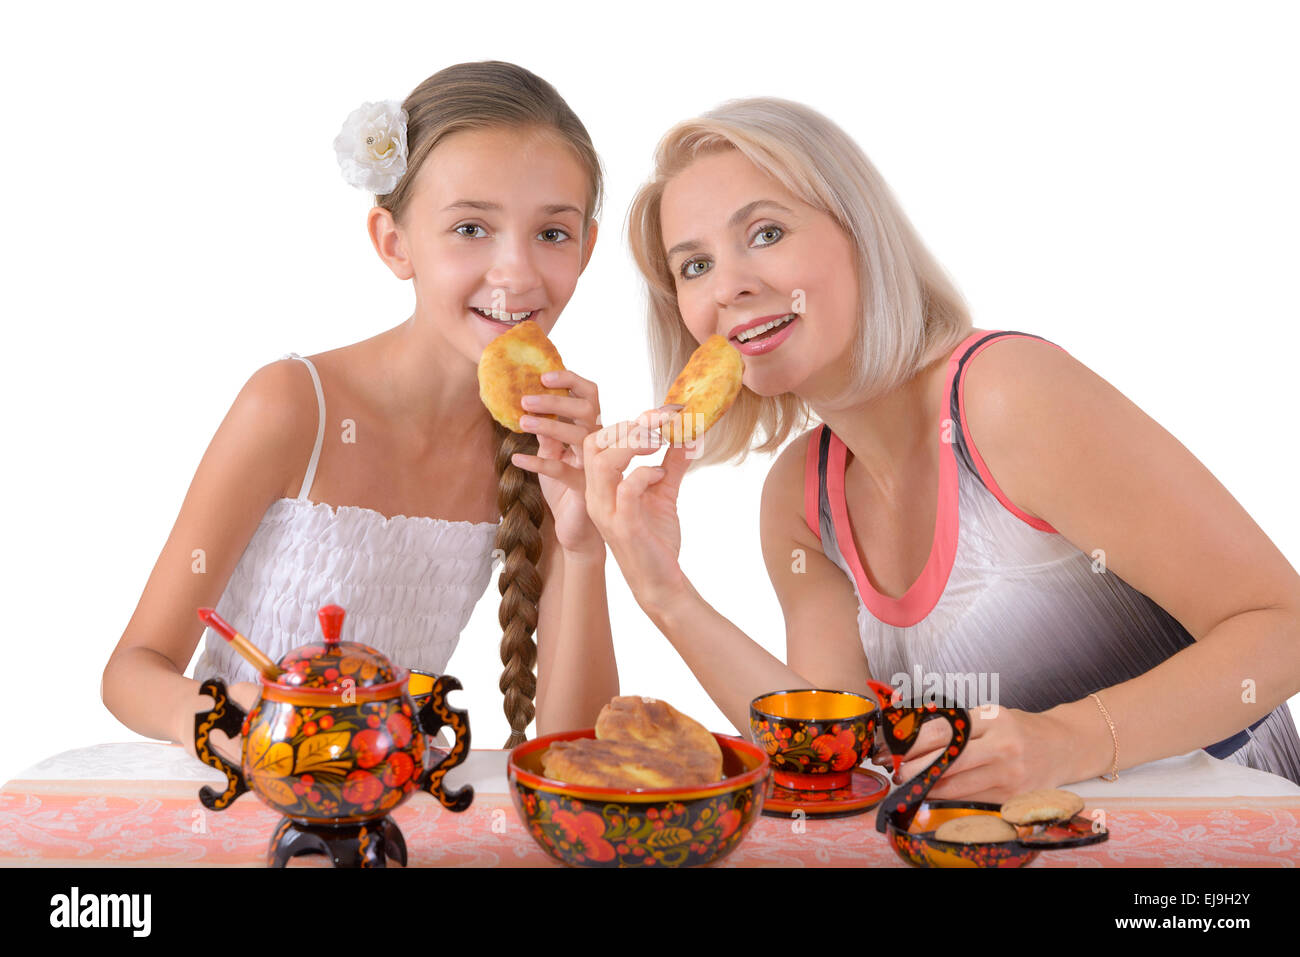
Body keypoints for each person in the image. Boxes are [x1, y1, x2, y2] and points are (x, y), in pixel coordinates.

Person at [583, 96, 1300, 799]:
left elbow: (1283, 625)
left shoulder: (1007, 395)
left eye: (766, 233)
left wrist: (1069, 740)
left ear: (861, 235)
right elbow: (841, 757)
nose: (731, 286)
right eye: (694, 266)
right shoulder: (801, 498)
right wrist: (661, 588)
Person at [102, 61, 617, 755]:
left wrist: (585, 542)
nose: (518, 271)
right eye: (471, 228)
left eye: (552, 233)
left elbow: (578, 755)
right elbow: (132, 672)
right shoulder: (292, 405)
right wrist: (263, 728)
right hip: (240, 797)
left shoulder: (545, 444)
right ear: (393, 242)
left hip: (399, 818)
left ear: (585, 247)